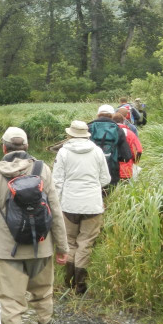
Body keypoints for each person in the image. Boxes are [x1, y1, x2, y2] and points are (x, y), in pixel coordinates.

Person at [0, 127, 68, 324]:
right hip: (42, 247)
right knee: (43, 296)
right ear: (26, 147)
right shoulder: (42, 170)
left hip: (9, 252)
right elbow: (55, 209)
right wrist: (62, 246)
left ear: (4, 148)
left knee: (11, 304)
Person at [52, 120, 110, 294]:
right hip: (92, 205)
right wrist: (92, 187)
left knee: (70, 241)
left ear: (70, 134)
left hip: (69, 204)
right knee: (86, 243)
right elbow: (106, 179)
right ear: (86, 134)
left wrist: (58, 202)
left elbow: (57, 181)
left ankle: (68, 283)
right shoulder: (97, 151)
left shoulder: (63, 152)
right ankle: (81, 286)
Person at [88, 105, 132, 188]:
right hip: (112, 171)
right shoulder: (118, 129)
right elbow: (126, 156)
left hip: (90, 171)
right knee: (107, 196)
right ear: (112, 115)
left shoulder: (88, 128)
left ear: (98, 114)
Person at [112, 113, 143, 180]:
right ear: (123, 121)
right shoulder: (129, 133)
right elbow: (138, 150)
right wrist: (134, 162)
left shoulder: (108, 132)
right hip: (126, 170)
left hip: (110, 170)